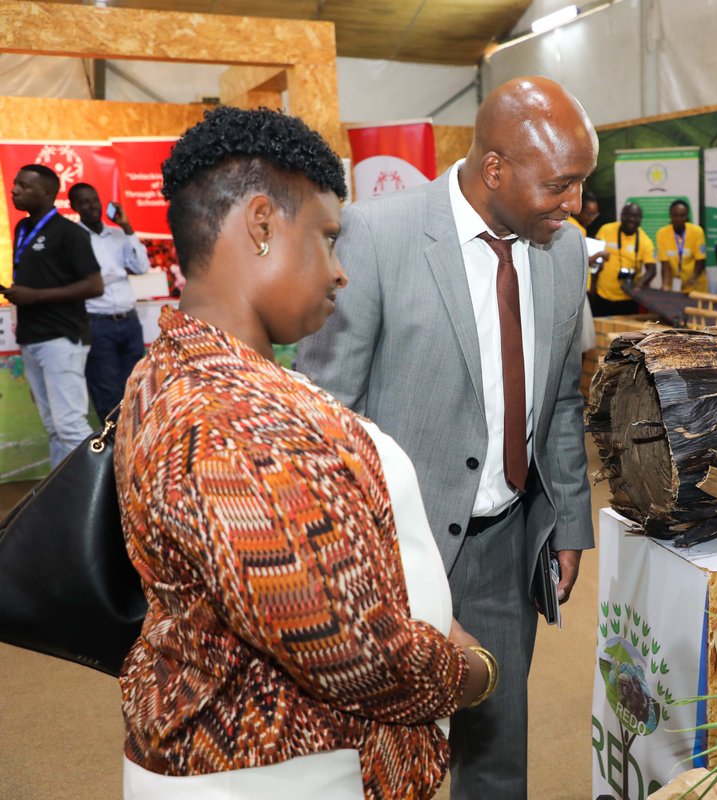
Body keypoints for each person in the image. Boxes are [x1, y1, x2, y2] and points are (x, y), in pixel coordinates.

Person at [114, 107, 493, 800]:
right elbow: (346, 648)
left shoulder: (183, 370)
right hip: (274, 772)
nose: (341, 272)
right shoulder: (231, 424)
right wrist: (469, 673)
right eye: (326, 238)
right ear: (261, 225)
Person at [296, 76, 595, 800]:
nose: (577, 204)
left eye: (584, 184)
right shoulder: (377, 233)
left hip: (502, 548)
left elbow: (561, 397)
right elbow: (329, 413)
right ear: (495, 169)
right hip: (390, 556)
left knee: (494, 756)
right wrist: (351, 560)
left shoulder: (563, 250)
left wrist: (571, 525)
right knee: (379, 757)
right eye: (561, 184)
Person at [2, 163, 103, 467]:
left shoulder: (69, 233)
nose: (15, 190)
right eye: (15, 184)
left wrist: (36, 296)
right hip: (33, 337)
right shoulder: (23, 228)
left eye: (24, 186)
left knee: (71, 427)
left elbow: (95, 285)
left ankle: (101, 500)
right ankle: (61, 497)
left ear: (47, 193)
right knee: (54, 428)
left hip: (62, 338)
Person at [67, 182, 150, 420]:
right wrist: (119, 272)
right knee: (109, 396)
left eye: (94, 200)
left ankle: (137, 449)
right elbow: (93, 281)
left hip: (130, 322)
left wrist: (127, 227)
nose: (91, 206)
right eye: (84, 202)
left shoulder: (118, 234)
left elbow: (141, 267)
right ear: (74, 206)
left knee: (137, 391)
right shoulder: (73, 238)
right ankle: (114, 452)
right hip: (97, 325)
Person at [593, 201, 656, 315]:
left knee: (627, 332)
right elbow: (594, 258)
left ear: (640, 219)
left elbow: (651, 270)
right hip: (602, 295)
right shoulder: (606, 230)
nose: (631, 219)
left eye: (635, 216)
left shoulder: (645, 241)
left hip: (628, 299)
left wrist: (639, 284)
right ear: (621, 215)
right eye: (627, 215)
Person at [655, 198, 707, 293]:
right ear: (670, 216)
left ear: (687, 217)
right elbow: (665, 264)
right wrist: (666, 284)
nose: (679, 219)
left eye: (682, 215)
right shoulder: (662, 233)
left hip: (695, 286)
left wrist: (693, 278)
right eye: (675, 215)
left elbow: (700, 260)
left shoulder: (697, 232)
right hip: (675, 288)